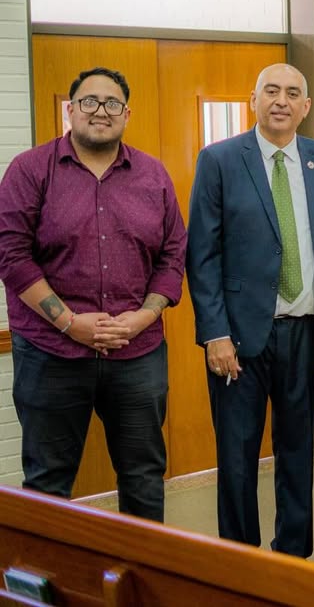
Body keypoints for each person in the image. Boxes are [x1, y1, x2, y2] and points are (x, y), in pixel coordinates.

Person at [0, 67, 186, 521]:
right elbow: (12, 255)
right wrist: (68, 322)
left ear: (126, 113)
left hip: (137, 352)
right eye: (89, 101)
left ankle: (142, 582)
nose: (100, 111)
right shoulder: (30, 169)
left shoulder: (153, 174)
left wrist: (144, 316)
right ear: (70, 110)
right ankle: (42, 588)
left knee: (143, 476)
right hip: (51, 353)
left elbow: (173, 253)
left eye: (112, 104)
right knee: (47, 481)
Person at [186, 63, 314, 556]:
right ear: (253, 99)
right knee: (237, 458)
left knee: (299, 452)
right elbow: (202, 254)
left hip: (306, 333)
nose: (282, 101)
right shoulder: (219, 159)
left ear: (306, 106)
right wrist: (214, 332)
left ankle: (293, 557)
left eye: (293, 93)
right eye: (272, 91)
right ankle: (239, 560)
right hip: (237, 339)